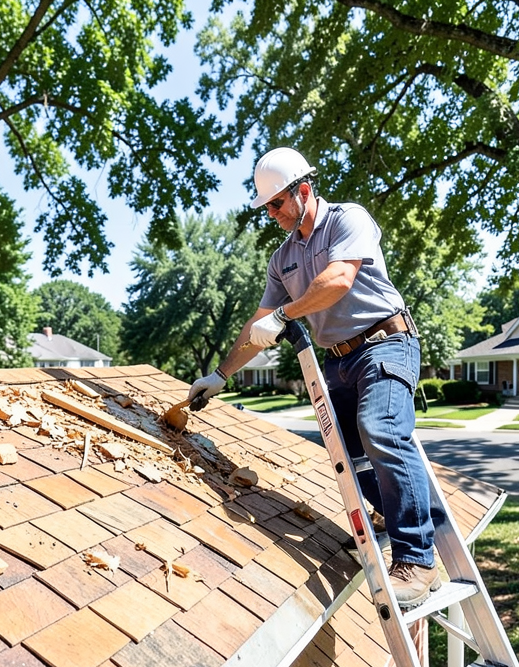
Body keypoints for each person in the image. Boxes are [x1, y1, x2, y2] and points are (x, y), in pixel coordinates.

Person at [188, 147, 441, 608]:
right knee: (348, 455)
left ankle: (417, 560)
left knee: (381, 430)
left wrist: (285, 314)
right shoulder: (282, 258)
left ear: (303, 191)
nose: (272, 214)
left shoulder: (348, 220)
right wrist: (221, 374)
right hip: (337, 360)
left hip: (385, 343)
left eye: (276, 203)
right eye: (266, 207)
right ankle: (389, 518)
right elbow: (259, 323)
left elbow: (339, 279)